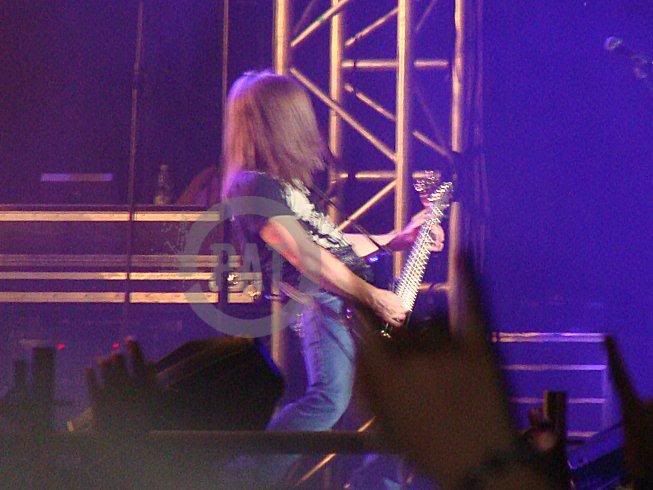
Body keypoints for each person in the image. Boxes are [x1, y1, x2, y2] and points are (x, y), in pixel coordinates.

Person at [220, 70, 444, 485]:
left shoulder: (283, 185)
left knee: (395, 398)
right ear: (280, 122)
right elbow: (306, 257)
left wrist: (395, 239)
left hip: (344, 295)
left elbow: (330, 245)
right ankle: (243, 480)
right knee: (329, 399)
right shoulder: (253, 187)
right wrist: (372, 297)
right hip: (323, 299)